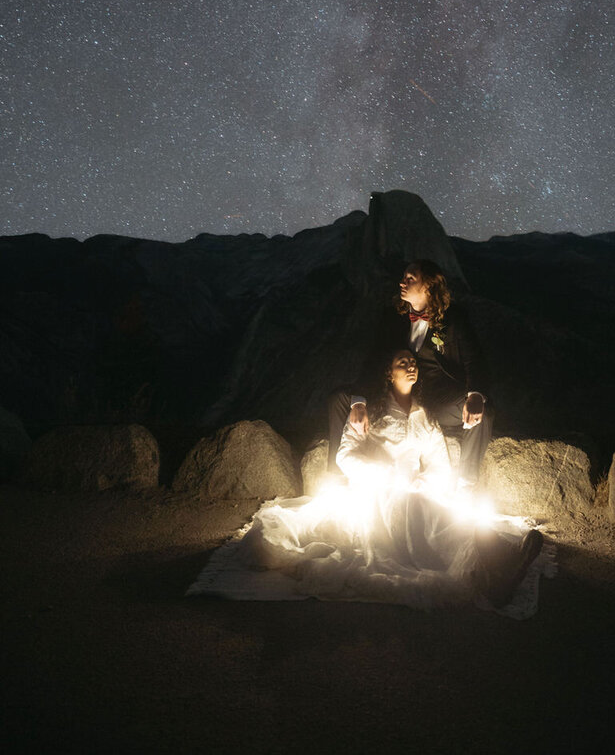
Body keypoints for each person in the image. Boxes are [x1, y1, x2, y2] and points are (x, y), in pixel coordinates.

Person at [189, 350, 544, 612]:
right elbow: (346, 455)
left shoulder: (425, 417)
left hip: (414, 492)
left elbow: (438, 459)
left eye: (414, 362)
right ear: (388, 373)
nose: (411, 365)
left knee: (438, 513)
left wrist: (425, 480)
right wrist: (389, 476)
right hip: (378, 493)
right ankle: (491, 568)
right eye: (403, 361)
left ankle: (497, 562)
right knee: (421, 516)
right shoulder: (368, 413)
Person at [328, 261, 493, 487]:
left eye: (410, 278)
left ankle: (465, 484)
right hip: (393, 392)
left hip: (436, 400)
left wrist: (475, 395)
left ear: (429, 285)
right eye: (403, 277)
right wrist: (359, 402)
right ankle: (336, 480)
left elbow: (474, 359)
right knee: (340, 399)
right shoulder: (392, 317)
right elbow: (374, 358)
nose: (402, 282)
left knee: (484, 412)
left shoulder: (453, 319)